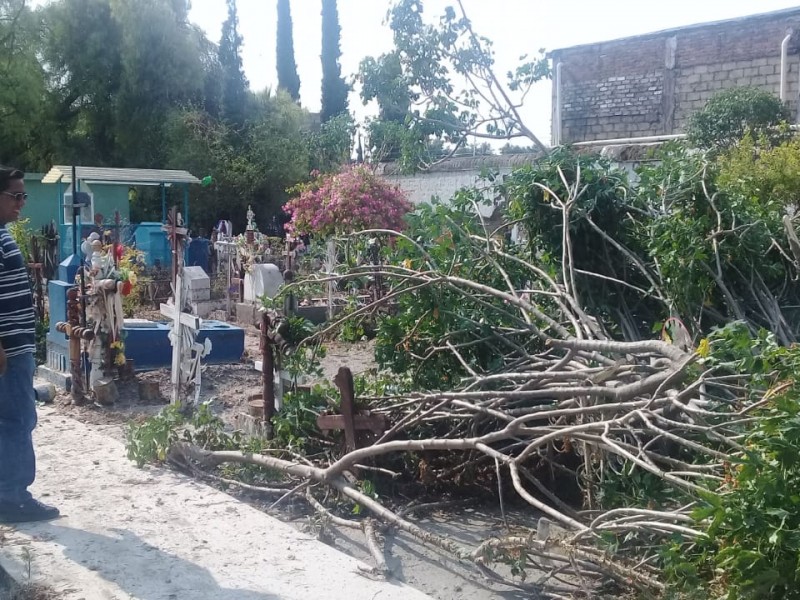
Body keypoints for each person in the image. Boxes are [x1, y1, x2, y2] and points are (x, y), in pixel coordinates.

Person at [0, 166, 59, 523]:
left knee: (12, 417)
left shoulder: (2, 234)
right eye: (15, 196)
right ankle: (13, 496)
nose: (21, 203)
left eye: (24, 196)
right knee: (16, 418)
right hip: (7, 352)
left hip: (16, 347)